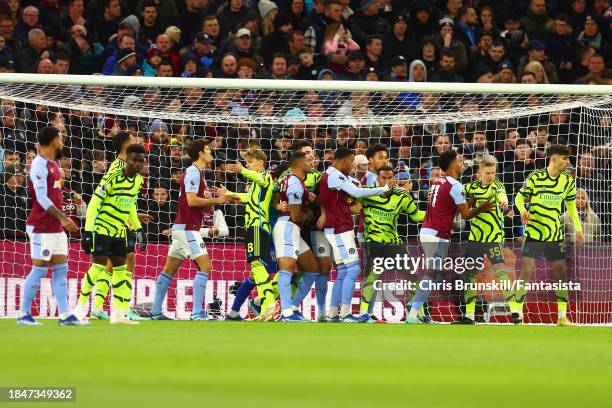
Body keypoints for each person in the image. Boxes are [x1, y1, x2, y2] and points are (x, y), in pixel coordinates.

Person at [405, 150, 494, 324]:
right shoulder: (455, 185)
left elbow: (451, 212)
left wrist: (471, 200)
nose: (462, 164)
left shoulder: (438, 182)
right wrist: (482, 207)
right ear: (453, 164)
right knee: (432, 272)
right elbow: (466, 216)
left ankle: (415, 304)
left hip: (428, 231)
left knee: (440, 273)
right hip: (437, 234)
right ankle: (413, 314)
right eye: (460, 161)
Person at [150, 140, 232, 320]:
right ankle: (196, 313)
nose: (211, 152)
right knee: (206, 266)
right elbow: (192, 201)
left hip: (181, 227)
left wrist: (218, 197)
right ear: (200, 153)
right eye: (208, 149)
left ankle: (155, 312)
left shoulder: (198, 173)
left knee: (169, 270)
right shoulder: (193, 173)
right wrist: (217, 201)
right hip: (188, 227)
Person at [76, 132, 153, 321]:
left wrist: (138, 228)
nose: (138, 164)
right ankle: (83, 307)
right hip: (103, 226)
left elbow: (129, 204)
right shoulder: (115, 172)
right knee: (101, 265)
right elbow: (96, 201)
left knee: (119, 267)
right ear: (126, 155)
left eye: (141, 161)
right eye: (134, 160)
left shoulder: (138, 180)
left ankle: (117, 312)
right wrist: (88, 231)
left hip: (120, 227)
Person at [17, 127, 83, 326]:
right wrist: (64, 218)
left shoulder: (54, 164)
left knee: (61, 268)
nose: (62, 142)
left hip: (55, 227)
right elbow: (41, 198)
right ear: (54, 141)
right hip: (40, 226)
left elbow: (55, 193)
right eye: (60, 138)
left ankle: (65, 315)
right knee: (39, 270)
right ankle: (24, 314)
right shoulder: (38, 165)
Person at [320, 146, 394, 322]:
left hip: (337, 228)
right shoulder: (333, 175)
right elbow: (355, 192)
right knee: (353, 269)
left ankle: (332, 313)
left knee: (344, 271)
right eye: (351, 161)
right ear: (344, 159)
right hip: (339, 228)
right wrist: (382, 189)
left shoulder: (332, 176)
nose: (353, 165)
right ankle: (345, 313)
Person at [514, 145, 585, 326]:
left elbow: (571, 208)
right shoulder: (535, 177)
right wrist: (522, 210)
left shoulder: (567, 182)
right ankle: (518, 315)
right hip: (534, 233)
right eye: (565, 158)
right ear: (554, 158)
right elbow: (519, 198)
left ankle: (562, 316)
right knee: (527, 272)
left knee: (561, 273)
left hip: (554, 233)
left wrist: (578, 229)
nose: (568, 162)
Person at [214, 149, 278, 320]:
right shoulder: (257, 184)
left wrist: (242, 170)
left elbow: (258, 178)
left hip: (257, 226)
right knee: (257, 268)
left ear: (261, 163)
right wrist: (228, 194)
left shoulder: (265, 177)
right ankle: (265, 308)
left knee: (256, 264)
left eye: (250, 162)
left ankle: (270, 303)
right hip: (254, 227)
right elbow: (249, 197)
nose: (247, 165)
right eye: (247, 163)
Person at [358, 165, 425, 322]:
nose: (387, 181)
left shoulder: (402, 196)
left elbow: (415, 216)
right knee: (372, 276)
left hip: (394, 243)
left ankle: (418, 314)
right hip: (374, 242)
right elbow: (350, 201)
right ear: (378, 179)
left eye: (390, 178)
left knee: (413, 276)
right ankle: (362, 313)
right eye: (383, 178)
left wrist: (437, 215)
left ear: (394, 179)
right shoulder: (367, 193)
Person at [454, 155, 516, 324]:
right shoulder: (472, 187)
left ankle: (516, 312)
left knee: (500, 272)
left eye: (493, 172)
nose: (491, 176)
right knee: (470, 275)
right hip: (475, 238)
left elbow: (503, 196)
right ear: (479, 173)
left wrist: (504, 204)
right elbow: (457, 191)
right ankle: (469, 316)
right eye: (487, 173)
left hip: (494, 238)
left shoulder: (497, 186)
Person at [273, 151, 321, 321]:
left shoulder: (293, 182)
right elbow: (295, 216)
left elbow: (275, 195)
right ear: (301, 164)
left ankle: (293, 307)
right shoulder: (294, 184)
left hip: (294, 230)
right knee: (286, 268)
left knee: (313, 269)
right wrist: (307, 215)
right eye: (308, 161)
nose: (311, 163)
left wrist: (277, 205)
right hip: (287, 227)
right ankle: (286, 312)